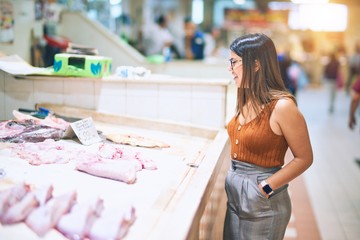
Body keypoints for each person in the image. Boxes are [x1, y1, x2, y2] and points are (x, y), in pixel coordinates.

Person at [224, 33, 313, 240]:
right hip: (235, 198)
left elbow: (305, 158)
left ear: (255, 65)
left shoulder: (282, 107)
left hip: (262, 203)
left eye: (234, 62)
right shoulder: (245, 96)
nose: (230, 68)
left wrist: (266, 186)